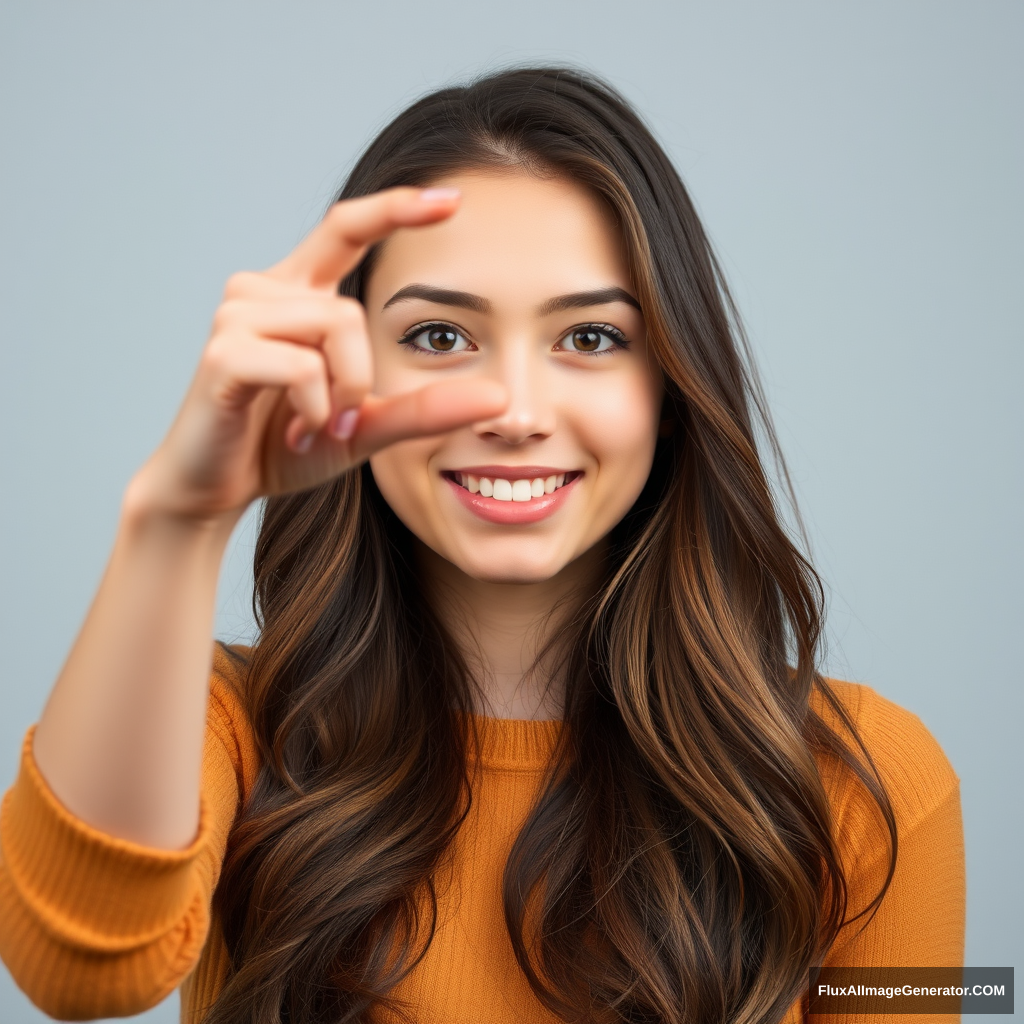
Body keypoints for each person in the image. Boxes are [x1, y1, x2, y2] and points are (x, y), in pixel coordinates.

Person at [0, 67, 963, 1024]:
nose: (513, 411)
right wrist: (179, 516)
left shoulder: (876, 785)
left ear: (670, 389)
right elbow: (76, 972)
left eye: (589, 339)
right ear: (337, 371)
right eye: (438, 335)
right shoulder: (221, 736)